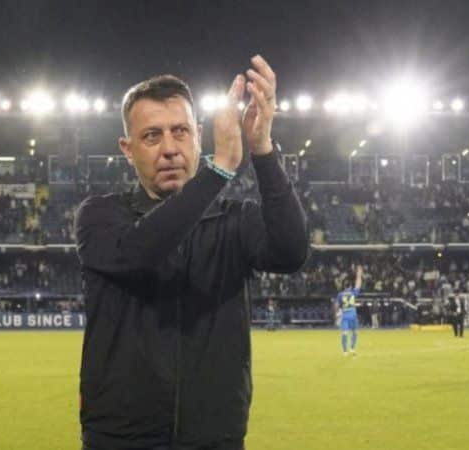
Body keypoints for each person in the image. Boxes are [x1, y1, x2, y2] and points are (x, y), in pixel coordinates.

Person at [75, 55, 309, 450]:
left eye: (180, 131)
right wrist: (218, 171)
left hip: (214, 439)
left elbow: (291, 252)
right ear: (127, 149)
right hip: (119, 440)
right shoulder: (100, 217)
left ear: (199, 137)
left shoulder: (234, 221)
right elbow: (142, 252)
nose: (169, 148)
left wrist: (263, 149)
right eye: (152, 136)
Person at [334, 266, 363, 356]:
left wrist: (337, 314)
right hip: (353, 316)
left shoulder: (340, 294)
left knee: (345, 333)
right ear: (350, 286)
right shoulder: (353, 293)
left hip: (345, 316)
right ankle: (352, 349)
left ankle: (345, 351)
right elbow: (358, 285)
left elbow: (336, 305)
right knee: (355, 333)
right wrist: (359, 275)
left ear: (344, 286)